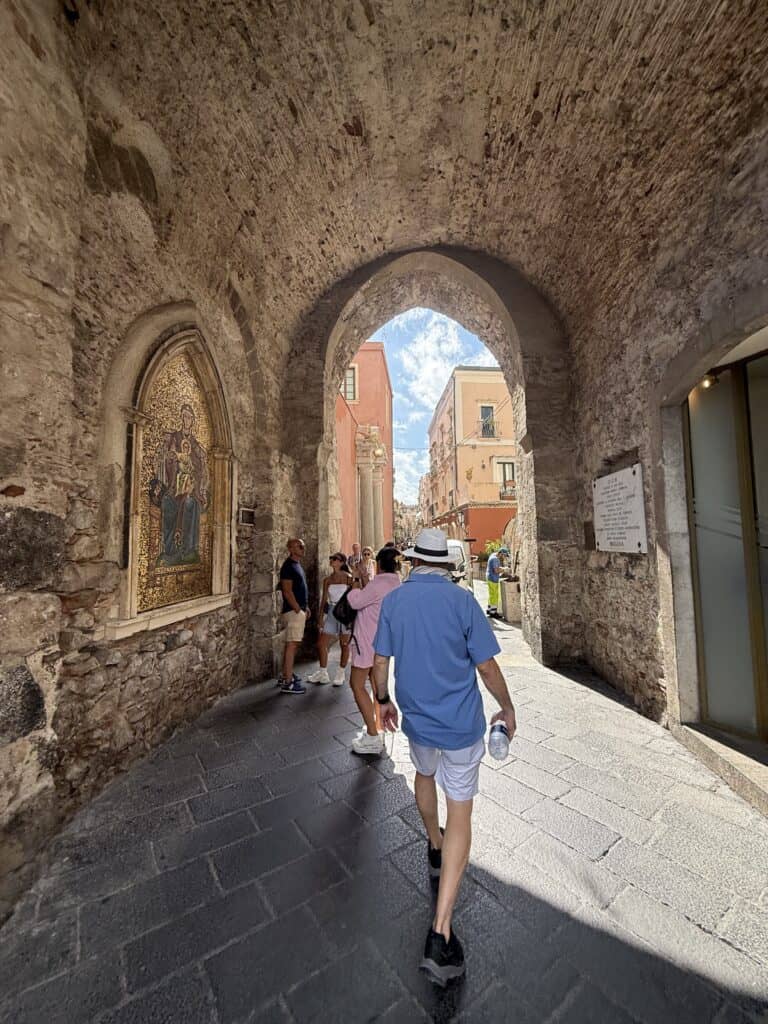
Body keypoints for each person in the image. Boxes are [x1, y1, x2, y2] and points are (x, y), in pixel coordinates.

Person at [372, 527, 517, 986]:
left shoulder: (395, 602)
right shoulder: (462, 602)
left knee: (422, 773)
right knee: (461, 810)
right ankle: (440, 932)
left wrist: (382, 699)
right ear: (446, 564)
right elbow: (487, 666)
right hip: (460, 724)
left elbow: (380, 662)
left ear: (414, 561)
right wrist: (508, 707)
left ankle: (433, 846)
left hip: (416, 719)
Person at [345, 545, 401, 755]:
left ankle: (372, 734)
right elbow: (372, 596)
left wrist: (355, 580)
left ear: (378, 565)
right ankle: (378, 726)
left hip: (367, 641)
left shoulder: (378, 584)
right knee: (377, 687)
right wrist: (362, 578)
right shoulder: (396, 583)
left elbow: (356, 601)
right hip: (383, 643)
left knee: (357, 685)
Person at [307, 553, 353, 686]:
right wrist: (320, 617)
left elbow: (354, 597)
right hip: (332, 611)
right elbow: (323, 601)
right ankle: (323, 672)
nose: (332, 561)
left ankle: (341, 673)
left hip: (345, 612)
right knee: (321, 643)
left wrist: (352, 617)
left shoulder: (349, 578)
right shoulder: (328, 580)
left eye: (335, 559)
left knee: (344, 644)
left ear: (341, 562)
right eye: (331, 559)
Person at [278, 537, 309, 694]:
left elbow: (300, 588)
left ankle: (286, 674)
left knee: (292, 644)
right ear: (290, 548)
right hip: (293, 611)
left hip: (298, 610)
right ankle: (288, 682)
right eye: (299, 546)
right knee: (292, 644)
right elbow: (287, 590)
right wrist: (297, 608)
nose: (303, 548)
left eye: (303, 546)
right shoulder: (288, 566)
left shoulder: (296, 565)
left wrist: (305, 607)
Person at [485, 545, 508, 618]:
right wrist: (504, 569)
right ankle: (493, 612)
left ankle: (489, 609)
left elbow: (496, 568)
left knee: (491, 594)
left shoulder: (493, 555)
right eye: (504, 555)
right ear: (501, 553)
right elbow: (496, 570)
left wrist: (502, 568)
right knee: (494, 595)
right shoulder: (495, 559)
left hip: (489, 577)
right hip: (493, 579)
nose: (504, 557)